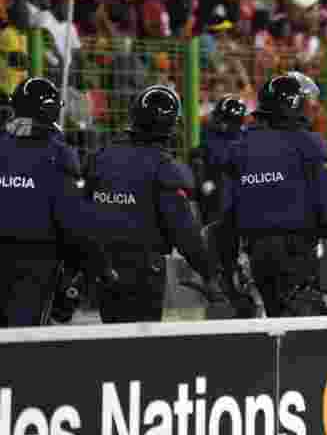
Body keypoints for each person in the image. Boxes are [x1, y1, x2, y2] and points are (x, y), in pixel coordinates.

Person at [84, 85, 233, 323]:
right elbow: (183, 230)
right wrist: (209, 274)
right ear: (170, 126)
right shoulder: (163, 166)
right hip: (143, 268)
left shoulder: (100, 157)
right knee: (141, 349)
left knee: (111, 340)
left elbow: (84, 212)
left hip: (102, 265)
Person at [218, 72, 327, 318]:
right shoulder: (307, 145)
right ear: (295, 106)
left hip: (257, 256)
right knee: (304, 332)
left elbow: (228, 212)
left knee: (276, 327)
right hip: (295, 255)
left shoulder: (239, 148)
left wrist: (231, 261)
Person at [0, 78, 116, 327]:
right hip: (34, 265)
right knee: (23, 344)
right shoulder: (57, 154)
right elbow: (74, 222)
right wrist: (100, 266)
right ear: (51, 110)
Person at [191, 96, 248, 225]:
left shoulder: (245, 139)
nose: (217, 121)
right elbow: (197, 156)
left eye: (222, 120)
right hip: (212, 191)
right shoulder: (209, 133)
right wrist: (203, 180)